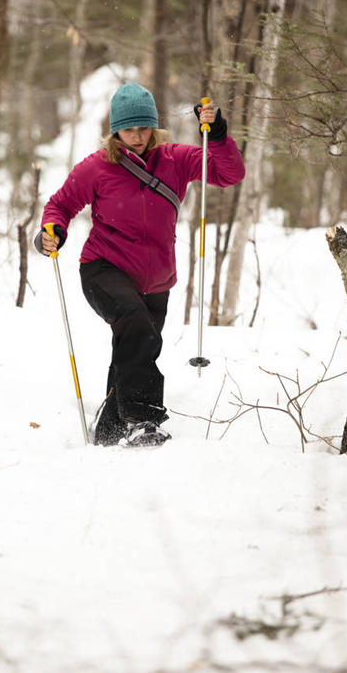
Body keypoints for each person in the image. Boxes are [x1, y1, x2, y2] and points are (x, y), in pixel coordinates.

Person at [34, 82, 245, 447]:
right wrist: (51, 231)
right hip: (103, 268)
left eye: (144, 127)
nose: (137, 136)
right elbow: (60, 205)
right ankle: (144, 418)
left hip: (156, 279)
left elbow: (228, 174)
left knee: (134, 348)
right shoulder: (97, 167)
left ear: (154, 127)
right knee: (136, 327)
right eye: (129, 129)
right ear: (115, 130)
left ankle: (109, 431)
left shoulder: (176, 159)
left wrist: (218, 135)